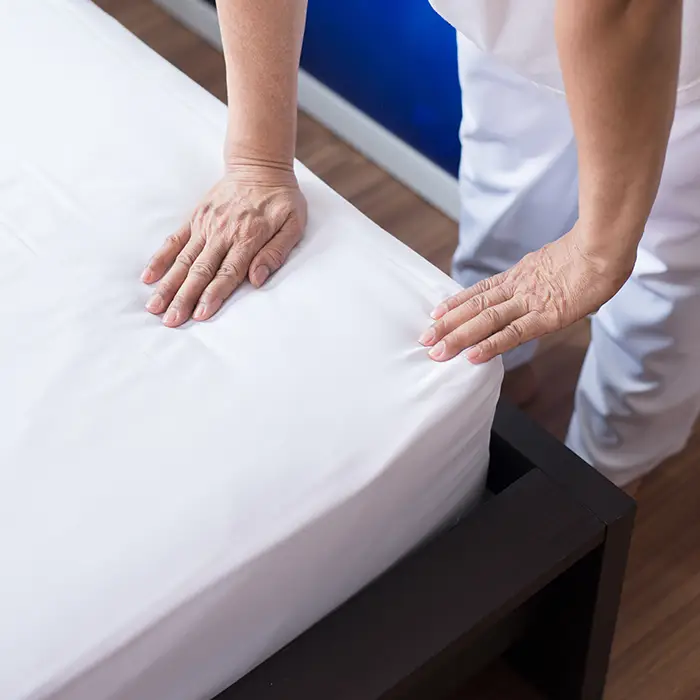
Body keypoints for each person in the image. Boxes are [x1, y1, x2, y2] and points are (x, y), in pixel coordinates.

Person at [139, 0, 699, 493]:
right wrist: (257, 162)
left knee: (661, 278)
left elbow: (627, 10)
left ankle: (610, 465)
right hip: (507, 26)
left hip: (679, 52)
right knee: (502, 198)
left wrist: (599, 249)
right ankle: (504, 377)